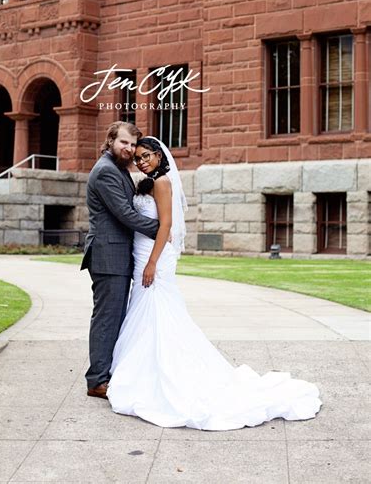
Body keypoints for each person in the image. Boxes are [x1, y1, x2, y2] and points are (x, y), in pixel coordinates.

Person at [107, 136, 322, 430]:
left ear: (159, 155)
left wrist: (153, 262)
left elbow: (166, 225)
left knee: (158, 311)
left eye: (147, 156)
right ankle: (145, 369)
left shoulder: (162, 182)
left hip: (154, 256)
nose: (142, 161)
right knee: (148, 312)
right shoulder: (149, 181)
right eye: (139, 158)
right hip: (143, 251)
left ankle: (160, 373)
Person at [81, 122, 159, 400]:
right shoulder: (105, 172)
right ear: (111, 140)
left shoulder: (118, 170)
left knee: (115, 318)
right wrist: (160, 229)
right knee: (107, 318)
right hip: (108, 256)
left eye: (131, 145)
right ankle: (97, 381)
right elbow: (125, 214)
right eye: (123, 142)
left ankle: (106, 373)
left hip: (117, 255)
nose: (128, 149)